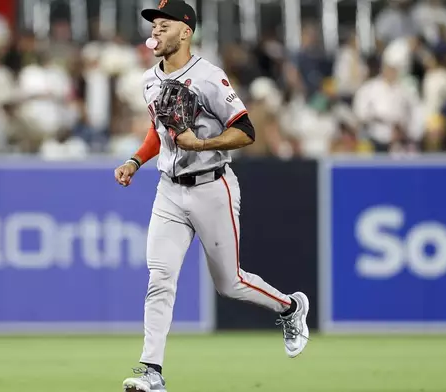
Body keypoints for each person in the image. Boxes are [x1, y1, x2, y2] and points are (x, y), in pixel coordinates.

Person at [113, 1, 310, 391]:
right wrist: (136, 160)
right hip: (168, 190)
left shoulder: (209, 77)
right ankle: (151, 373)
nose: (155, 31)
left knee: (230, 282)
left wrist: (201, 144)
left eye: (164, 25)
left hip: (211, 186)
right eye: (154, 24)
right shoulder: (149, 80)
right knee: (160, 279)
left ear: (185, 32)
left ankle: (291, 307)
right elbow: (160, 130)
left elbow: (246, 131)